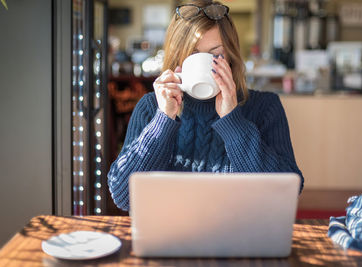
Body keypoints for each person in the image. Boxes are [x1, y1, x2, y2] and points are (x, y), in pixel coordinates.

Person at [108, 0, 304, 211]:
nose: (204, 62)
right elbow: (123, 196)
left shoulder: (265, 107)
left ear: (230, 58)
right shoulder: (151, 108)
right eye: (193, 54)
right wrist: (163, 120)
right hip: (170, 239)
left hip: (241, 240)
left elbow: (286, 194)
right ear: (177, 58)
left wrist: (232, 120)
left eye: (215, 53)